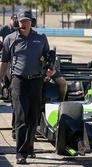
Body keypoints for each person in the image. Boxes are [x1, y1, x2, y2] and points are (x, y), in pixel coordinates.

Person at [0, 10, 49, 164]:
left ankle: (29, 146)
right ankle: (20, 153)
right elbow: (4, 61)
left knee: (33, 119)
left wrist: (50, 68)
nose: (24, 23)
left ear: (31, 22)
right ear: (17, 22)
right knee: (21, 119)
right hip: (18, 82)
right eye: (21, 21)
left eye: (27, 21)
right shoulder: (10, 39)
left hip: (36, 81)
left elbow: (48, 57)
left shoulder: (41, 38)